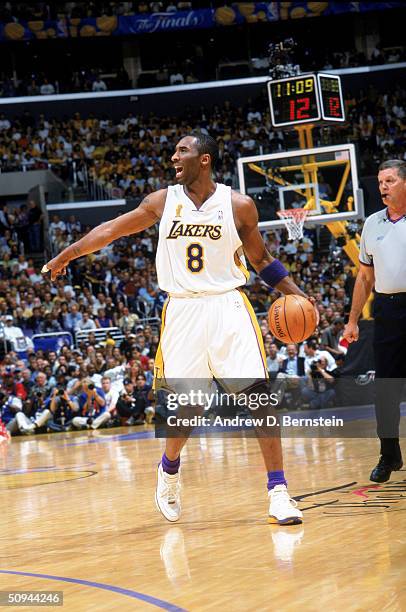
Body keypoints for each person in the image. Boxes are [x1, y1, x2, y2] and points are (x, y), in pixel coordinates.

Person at [43, 132, 315, 525]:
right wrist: (67, 255)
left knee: (260, 399)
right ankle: (169, 469)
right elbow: (112, 229)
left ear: (204, 160)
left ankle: (278, 491)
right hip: (183, 309)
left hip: (228, 306)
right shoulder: (162, 201)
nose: (173, 157)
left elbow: (262, 260)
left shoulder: (239, 205)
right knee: (190, 405)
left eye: (182, 151)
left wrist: (299, 295)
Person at [343, 159, 405, 483]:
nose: (383, 187)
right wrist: (353, 320)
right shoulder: (372, 224)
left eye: (390, 180)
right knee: (386, 389)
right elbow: (364, 277)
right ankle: (389, 454)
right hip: (387, 309)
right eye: (380, 181)